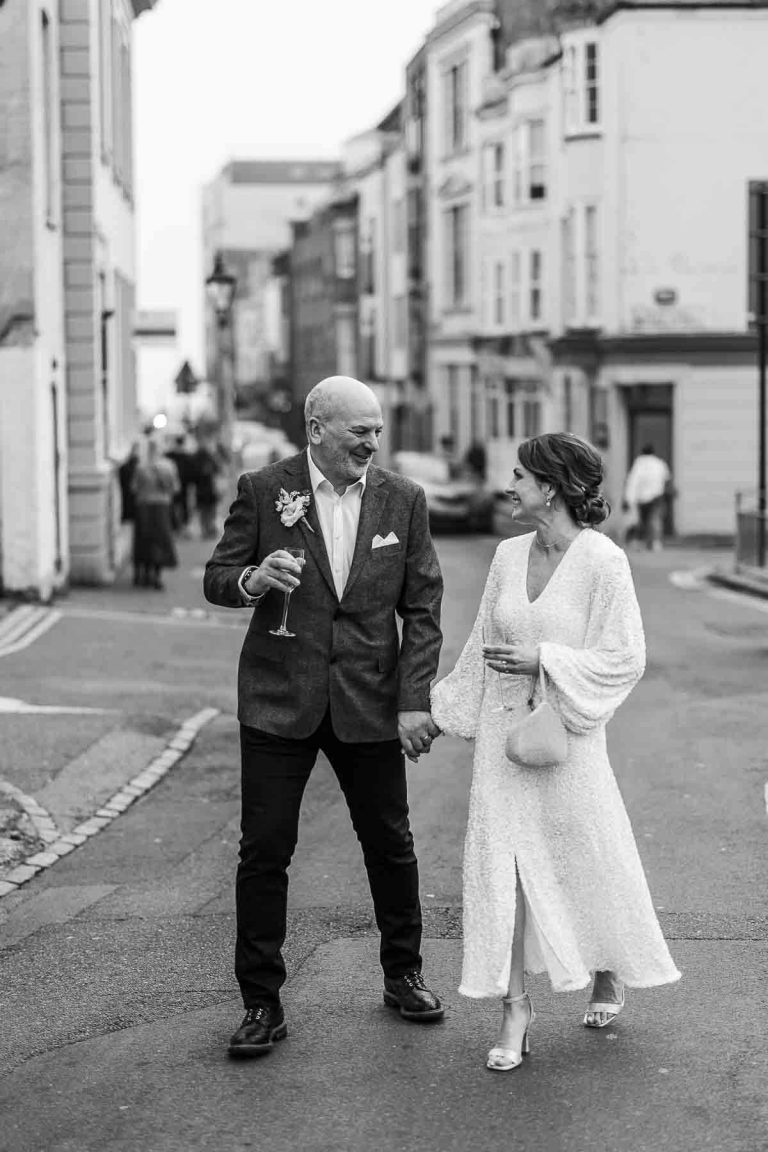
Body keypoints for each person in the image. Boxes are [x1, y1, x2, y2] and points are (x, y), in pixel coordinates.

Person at [204, 375, 444, 1059]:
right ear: (316, 429)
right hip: (279, 699)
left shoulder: (404, 500)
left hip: (369, 699)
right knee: (264, 852)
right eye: (358, 430)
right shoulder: (262, 490)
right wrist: (251, 580)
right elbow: (218, 576)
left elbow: (422, 607)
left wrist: (412, 700)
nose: (373, 441)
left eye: (376, 430)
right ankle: (261, 1002)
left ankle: (404, 974)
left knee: (390, 844)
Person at [430, 432, 680, 1073]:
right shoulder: (507, 555)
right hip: (499, 742)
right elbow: (480, 645)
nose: (507, 486)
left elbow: (625, 656)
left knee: (585, 855)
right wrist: (436, 714)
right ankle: (514, 1009)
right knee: (502, 873)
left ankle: (606, 967)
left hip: (567, 736)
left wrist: (548, 660)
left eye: (518, 476)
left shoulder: (603, 562)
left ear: (551, 487)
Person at [130, 438, 179, 590]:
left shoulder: (141, 467)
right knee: (160, 541)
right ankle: (156, 577)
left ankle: (142, 575)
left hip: (143, 507)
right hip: (162, 507)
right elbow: (175, 488)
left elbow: (134, 488)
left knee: (143, 541)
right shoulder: (168, 466)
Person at [623, 444, 672, 551]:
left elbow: (632, 482)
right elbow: (667, 479)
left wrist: (628, 499)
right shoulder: (660, 463)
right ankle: (655, 542)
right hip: (657, 496)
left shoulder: (639, 463)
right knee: (655, 520)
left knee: (642, 521)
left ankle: (641, 541)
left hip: (641, 498)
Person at [191, 437, 221, 539]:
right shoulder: (210, 458)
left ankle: (206, 529)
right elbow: (218, 469)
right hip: (209, 489)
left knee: (204, 511)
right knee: (210, 510)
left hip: (201, 490)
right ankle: (209, 529)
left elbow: (193, 476)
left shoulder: (195, 458)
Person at [165, 434, 194, 535]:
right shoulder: (187, 456)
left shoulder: (169, 455)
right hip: (184, 485)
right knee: (184, 505)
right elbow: (192, 472)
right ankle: (183, 526)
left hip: (173, 485)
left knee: (174, 505)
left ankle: (175, 526)